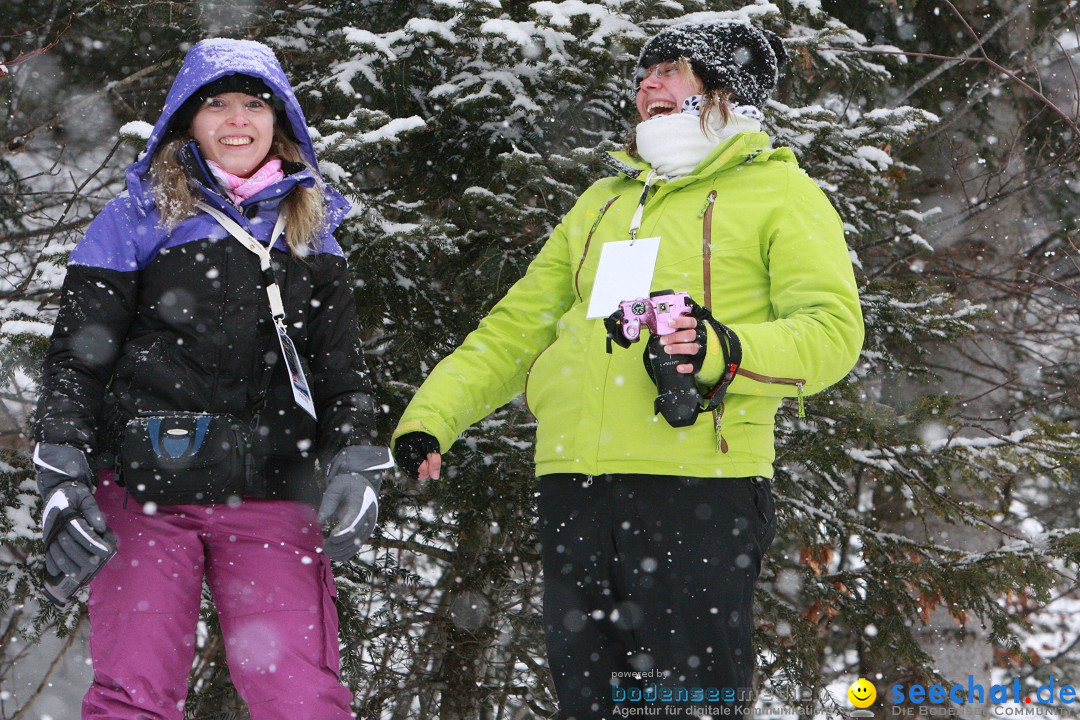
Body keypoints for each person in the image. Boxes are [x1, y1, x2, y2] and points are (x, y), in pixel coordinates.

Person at [392, 21, 863, 720]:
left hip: (699, 487)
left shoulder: (780, 195)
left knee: (690, 707)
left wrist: (719, 350)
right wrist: (433, 417)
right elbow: (516, 329)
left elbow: (831, 334)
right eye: (644, 73)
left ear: (725, 90)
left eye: (671, 70)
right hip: (575, 489)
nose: (648, 83)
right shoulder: (602, 204)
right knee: (594, 704)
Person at [33, 38, 392, 720]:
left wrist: (353, 463)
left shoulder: (312, 230)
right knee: (133, 693)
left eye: (254, 104)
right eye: (216, 104)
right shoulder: (135, 217)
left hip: (272, 486)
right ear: (185, 121)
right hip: (144, 485)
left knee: (301, 696)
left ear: (278, 119)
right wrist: (62, 467)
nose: (236, 120)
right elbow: (79, 358)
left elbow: (341, 371)